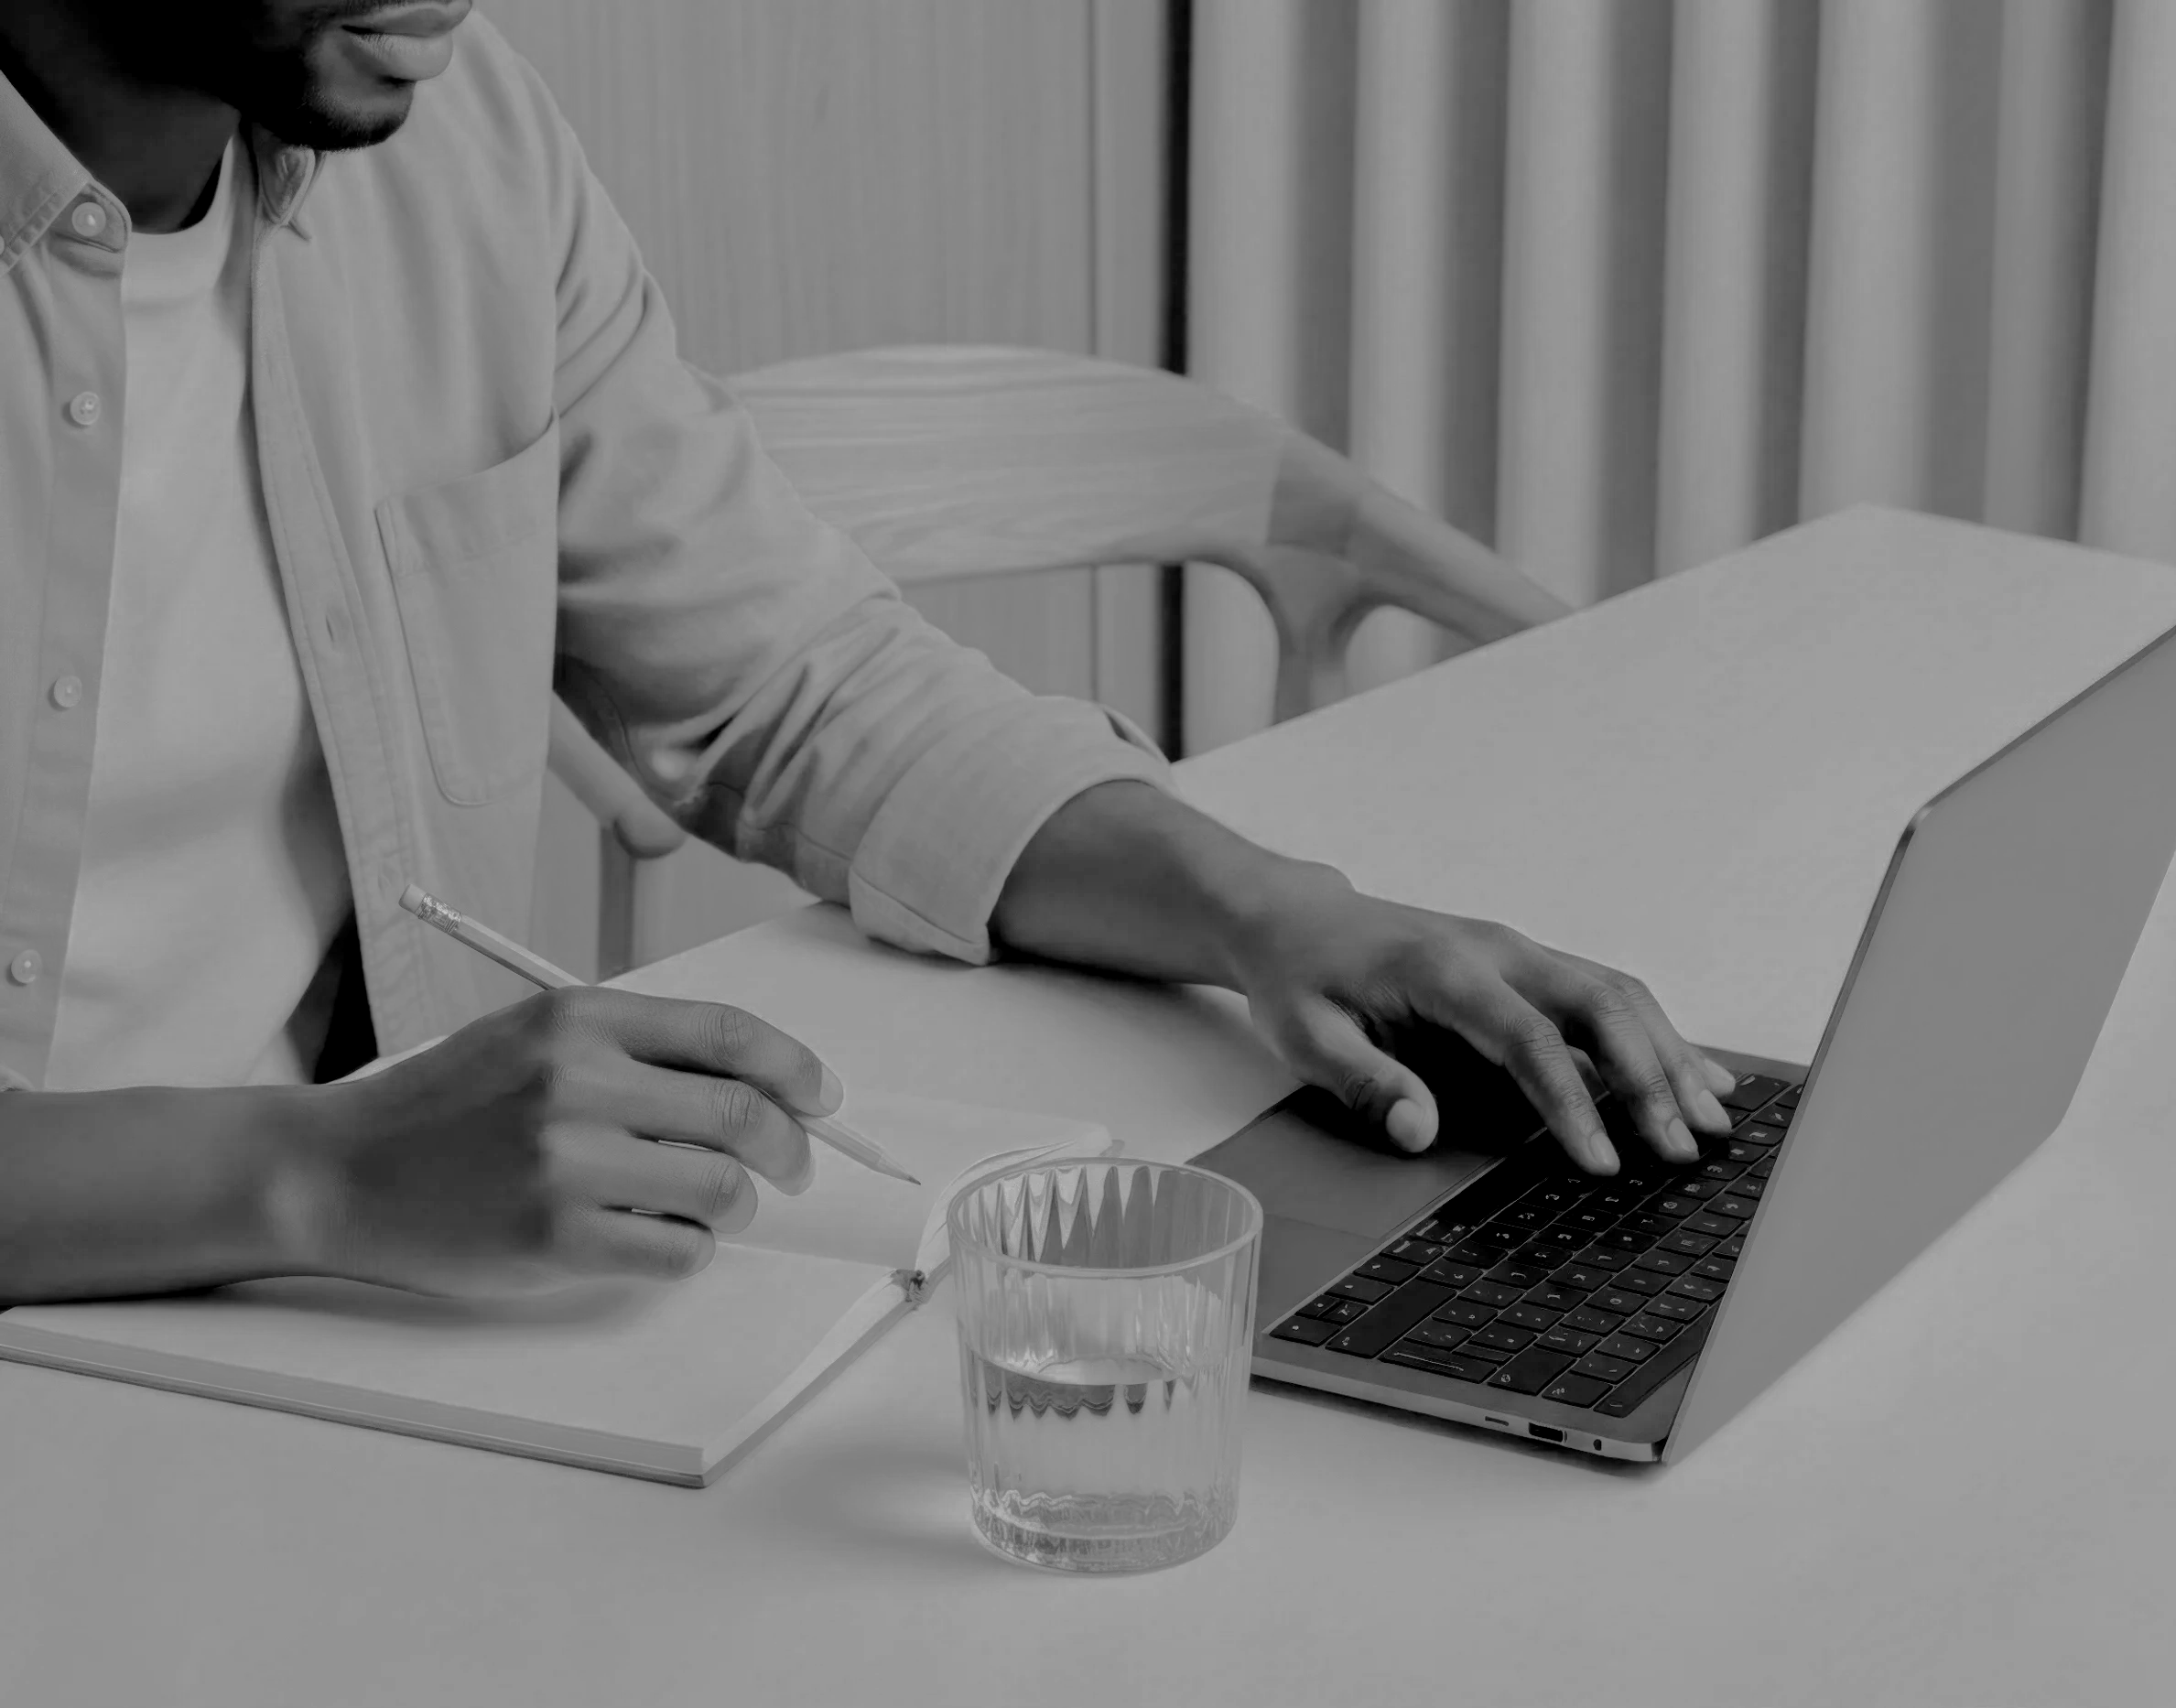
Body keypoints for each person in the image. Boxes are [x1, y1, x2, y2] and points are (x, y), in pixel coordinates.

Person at [0, 0, 1736, 1306]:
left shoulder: (463, 154)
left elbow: (795, 681)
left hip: (331, 1334)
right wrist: (317, 1174)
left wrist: (1269, 912)